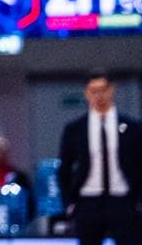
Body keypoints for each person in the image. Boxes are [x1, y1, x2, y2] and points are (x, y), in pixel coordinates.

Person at [57, 71, 142, 245]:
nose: (99, 95)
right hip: (88, 202)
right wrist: (69, 202)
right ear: (86, 93)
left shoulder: (132, 127)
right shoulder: (75, 129)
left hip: (123, 200)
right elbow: (64, 168)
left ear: (112, 89)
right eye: (93, 90)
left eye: (103, 89)